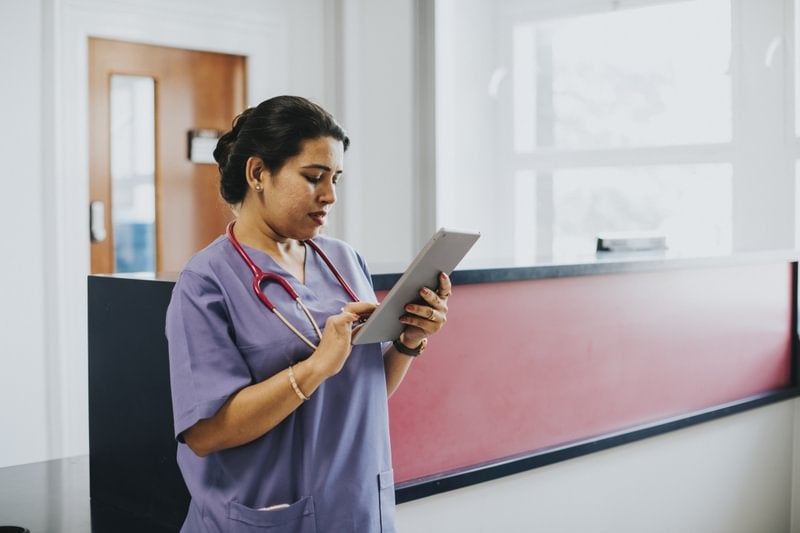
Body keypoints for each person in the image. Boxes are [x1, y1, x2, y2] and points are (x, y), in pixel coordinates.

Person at [165, 95, 451, 532]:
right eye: (314, 177)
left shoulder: (344, 260)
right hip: (266, 514)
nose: (330, 195)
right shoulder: (207, 281)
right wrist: (316, 367)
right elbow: (205, 435)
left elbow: (363, 390)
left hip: (355, 506)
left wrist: (407, 341)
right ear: (258, 173)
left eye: (335, 178)